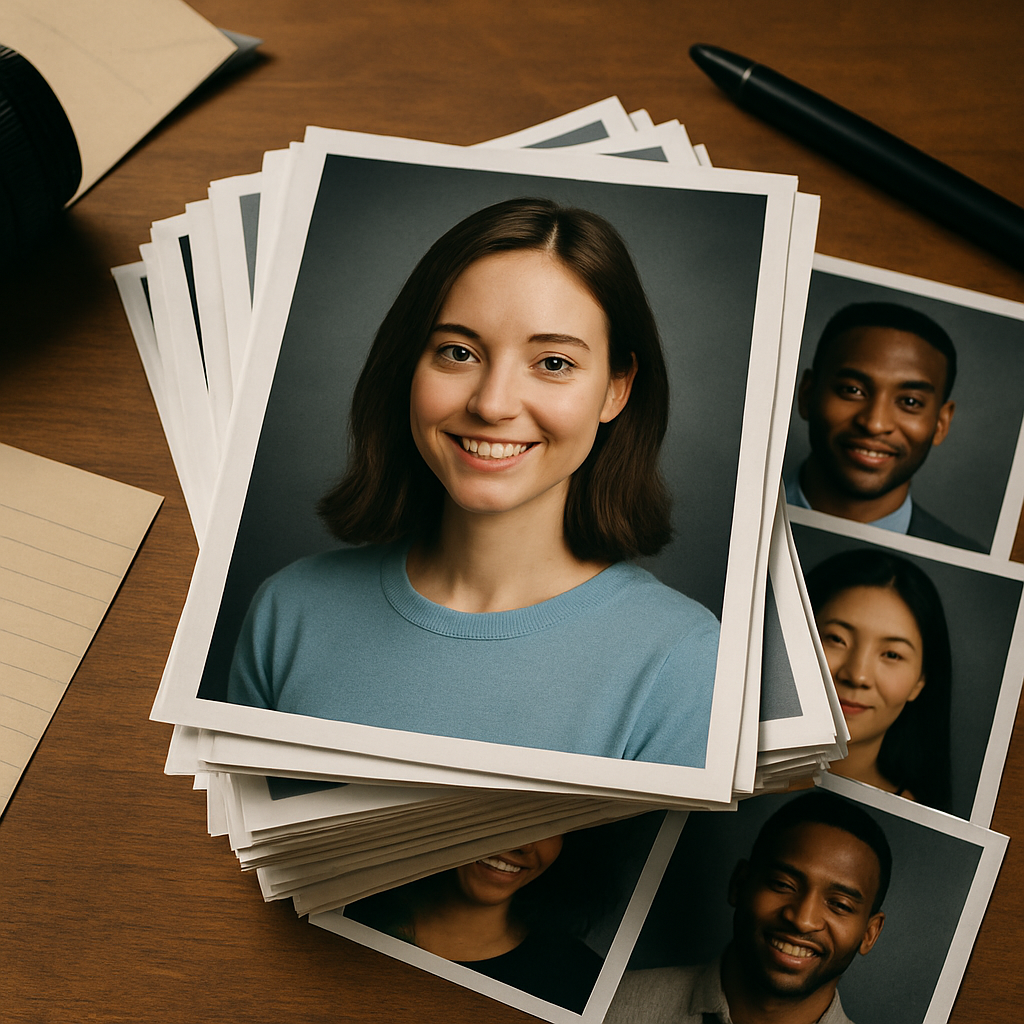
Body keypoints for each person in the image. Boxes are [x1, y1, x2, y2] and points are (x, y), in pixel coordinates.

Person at [226, 197, 720, 767]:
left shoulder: (683, 657)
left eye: (553, 363)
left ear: (616, 389)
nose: (492, 404)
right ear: (408, 366)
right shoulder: (289, 610)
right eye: (458, 353)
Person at [606, 791, 890, 1024]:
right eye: (782, 885)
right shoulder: (610, 1004)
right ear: (740, 884)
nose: (802, 920)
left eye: (839, 904)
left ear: (870, 934)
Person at [786, 301, 984, 551]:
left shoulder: (970, 559)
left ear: (941, 423)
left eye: (910, 402)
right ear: (806, 394)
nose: (875, 424)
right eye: (852, 390)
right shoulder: (738, 508)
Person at [346, 830, 605, 1013]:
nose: (524, 844)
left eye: (551, 822)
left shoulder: (585, 982)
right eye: (504, 811)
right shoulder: (344, 916)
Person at [806, 549, 952, 812]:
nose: (857, 676)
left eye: (892, 655)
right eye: (837, 639)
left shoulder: (916, 817)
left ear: (920, 682)